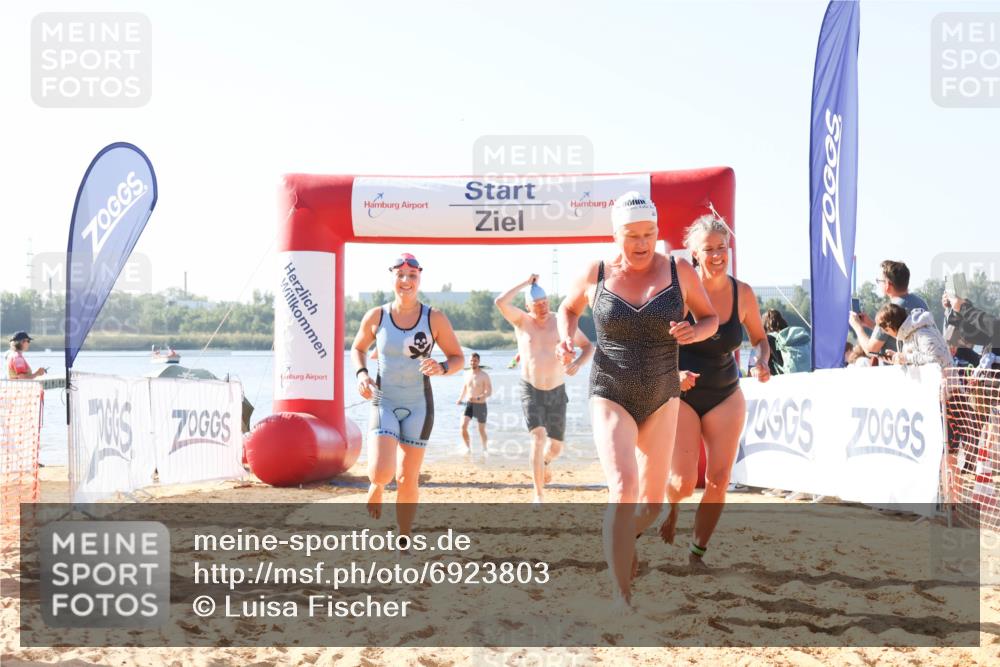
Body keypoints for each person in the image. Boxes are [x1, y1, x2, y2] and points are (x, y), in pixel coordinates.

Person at [557, 192, 718, 607]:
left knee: (649, 506)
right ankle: (621, 595)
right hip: (611, 390)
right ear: (616, 234)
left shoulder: (679, 269)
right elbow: (568, 309)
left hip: (663, 395)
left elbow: (709, 317)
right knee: (624, 489)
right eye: (632, 236)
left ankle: (620, 539)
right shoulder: (597, 272)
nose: (642, 243)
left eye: (649, 234)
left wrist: (694, 333)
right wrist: (565, 339)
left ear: (657, 232)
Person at [659, 214, 771, 570]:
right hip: (684, 393)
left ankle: (697, 553)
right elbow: (655, 345)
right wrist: (674, 373)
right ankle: (672, 507)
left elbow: (760, 338)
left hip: (726, 392)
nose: (718, 255)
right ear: (694, 253)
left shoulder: (744, 293)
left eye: (722, 247)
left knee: (720, 479)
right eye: (709, 249)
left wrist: (761, 360)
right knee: (681, 481)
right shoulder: (680, 293)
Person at [351, 253, 465, 535]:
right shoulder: (377, 315)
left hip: (419, 406)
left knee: (406, 477)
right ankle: (376, 486)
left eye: (412, 276)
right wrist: (362, 374)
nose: (406, 281)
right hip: (383, 401)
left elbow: (457, 358)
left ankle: (404, 535)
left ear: (419, 279)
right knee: (381, 473)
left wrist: (441, 367)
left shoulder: (434, 318)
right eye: (400, 275)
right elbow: (357, 349)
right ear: (392, 278)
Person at [495, 275, 593, 503]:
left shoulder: (560, 322)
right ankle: (538, 493)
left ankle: (546, 462)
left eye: (545, 303)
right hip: (530, 389)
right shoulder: (521, 322)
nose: (542, 308)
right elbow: (500, 302)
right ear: (527, 306)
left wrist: (578, 363)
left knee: (555, 447)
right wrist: (524, 283)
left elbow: (588, 346)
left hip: (557, 391)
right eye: (536, 305)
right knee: (538, 438)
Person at [849, 260, 929, 356]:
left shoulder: (890, 311)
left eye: (879, 281)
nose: (878, 284)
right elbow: (899, 334)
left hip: (900, 368)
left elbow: (871, 350)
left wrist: (857, 327)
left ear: (887, 285)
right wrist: (873, 325)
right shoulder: (920, 303)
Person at [875, 305, 952, 368]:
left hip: (945, 384)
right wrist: (897, 358)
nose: (886, 333)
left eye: (885, 330)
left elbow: (936, 359)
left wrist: (905, 358)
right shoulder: (909, 332)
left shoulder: (922, 332)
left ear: (890, 327)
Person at [456, 352, 492, 453]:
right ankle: (468, 448)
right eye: (471, 360)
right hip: (469, 405)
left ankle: (485, 449)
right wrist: (460, 398)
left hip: (481, 405)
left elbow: (489, 392)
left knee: (481, 430)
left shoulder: (484, 375)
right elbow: (465, 388)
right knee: (463, 426)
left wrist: (479, 398)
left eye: (475, 360)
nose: (473, 362)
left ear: (478, 361)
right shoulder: (467, 374)